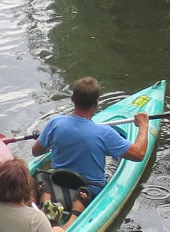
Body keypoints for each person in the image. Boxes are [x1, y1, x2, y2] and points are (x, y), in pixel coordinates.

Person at [34, 77, 150, 213]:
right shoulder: (105, 133)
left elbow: (36, 151)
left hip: (58, 183)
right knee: (115, 160)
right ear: (96, 103)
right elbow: (139, 154)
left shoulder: (55, 123)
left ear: (72, 99)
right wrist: (143, 125)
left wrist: (55, 140)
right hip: (89, 192)